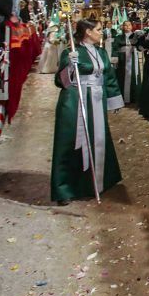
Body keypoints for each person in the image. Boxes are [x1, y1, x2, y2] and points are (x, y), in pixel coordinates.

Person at [51, 18, 124, 204]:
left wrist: (114, 100)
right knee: (72, 141)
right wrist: (70, 66)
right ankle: (65, 188)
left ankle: (98, 181)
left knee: (98, 138)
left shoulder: (100, 52)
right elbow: (61, 81)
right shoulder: (71, 51)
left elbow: (109, 76)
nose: (102, 32)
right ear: (88, 32)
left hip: (97, 101)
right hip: (77, 101)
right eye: (98, 30)